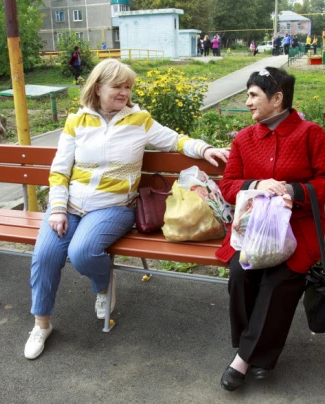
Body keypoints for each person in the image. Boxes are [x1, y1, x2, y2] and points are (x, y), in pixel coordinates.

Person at [23, 59, 230, 360]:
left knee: (82, 253)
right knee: (46, 254)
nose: (124, 92)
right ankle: (41, 324)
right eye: (117, 86)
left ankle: (104, 283)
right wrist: (56, 208)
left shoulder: (139, 121)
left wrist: (205, 149)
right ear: (97, 87)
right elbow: (59, 171)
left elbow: (176, 141)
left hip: (114, 207)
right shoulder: (76, 122)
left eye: (128, 87)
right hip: (68, 205)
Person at [215, 67, 325, 391]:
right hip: (253, 230)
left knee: (279, 280)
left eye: (253, 95)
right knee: (241, 274)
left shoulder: (309, 134)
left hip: (298, 230)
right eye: (247, 95)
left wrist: (294, 192)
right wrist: (258, 184)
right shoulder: (245, 139)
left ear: (277, 98)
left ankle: (243, 359)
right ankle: (259, 353)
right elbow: (228, 185)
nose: (247, 102)